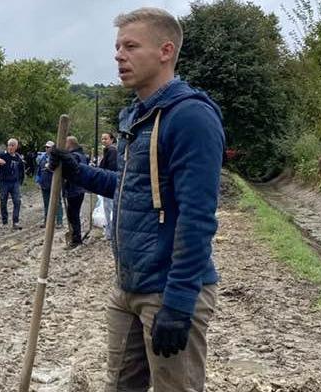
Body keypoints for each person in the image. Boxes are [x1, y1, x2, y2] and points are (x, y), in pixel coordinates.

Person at [50, 8, 224, 391]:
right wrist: (77, 170)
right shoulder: (138, 117)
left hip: (169, 291)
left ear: (165, 51)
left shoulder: (190, 117)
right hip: (128, 286)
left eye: (130, 46)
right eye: (116, 47)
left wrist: (179, 302)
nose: (118, 55)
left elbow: (198, 218)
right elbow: (132, 187)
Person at [63, 136, 89, 248]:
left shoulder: (74, 156)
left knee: (73, 214)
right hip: (78, 189)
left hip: (75, 189)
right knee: (73, 214)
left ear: (70, 144)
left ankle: (76, 238)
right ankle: (76, 235)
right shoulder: (81, 155)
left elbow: (70, 169)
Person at [0, 138, 25, 230]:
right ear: (7, 146)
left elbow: (21, 170)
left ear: (16, 147)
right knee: (3, 201)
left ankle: (15, 222)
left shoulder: (18, 157)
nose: (11, 147)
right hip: (4, 182)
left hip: (15, 183)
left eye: (13, 145)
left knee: (17, 201)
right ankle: (4, 221)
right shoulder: (2, 155)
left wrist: (20, 181)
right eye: (10, 145)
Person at [35, 141, 63, 229]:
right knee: (46, 203)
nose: (47, 149)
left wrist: (50, 167)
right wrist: (37, 181)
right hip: (44, 183)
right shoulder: (42, 158)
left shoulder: (57, 158)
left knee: (57, 203)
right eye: (46, 147)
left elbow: (60, 171)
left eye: (49, 147)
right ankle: (47, 221)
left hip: (55, 183)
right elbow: (39, 170)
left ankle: (59, 222)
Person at [99, 132, 118, 240]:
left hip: (109, 184)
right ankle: (109, 232)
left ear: (111, 139)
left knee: (109, 209)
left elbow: (111, 168)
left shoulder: (111, 151)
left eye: (106, 138)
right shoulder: (109, 151)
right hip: (108, 184)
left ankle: (110, 233)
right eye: (102, 139)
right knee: (108, 209)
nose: (103, 141)